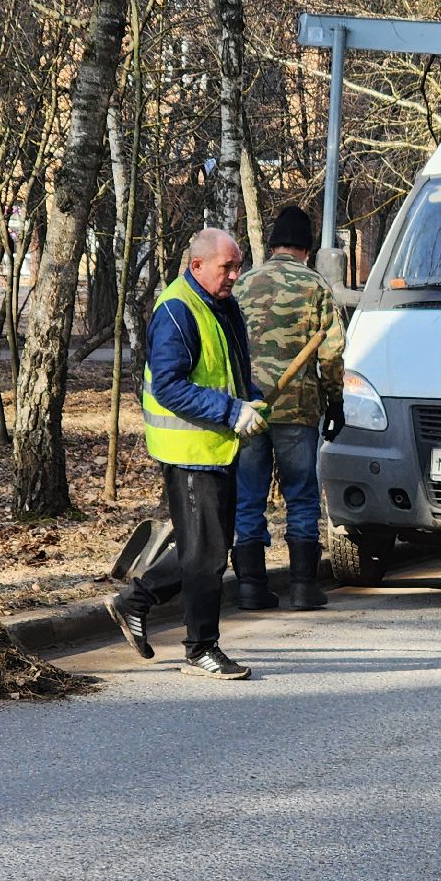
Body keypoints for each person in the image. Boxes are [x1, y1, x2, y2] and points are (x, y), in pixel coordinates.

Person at [108, 227, 267, 680]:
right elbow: (171, 386)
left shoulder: (222, 305)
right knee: (207, 555)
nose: (236, 274)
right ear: (197, 266)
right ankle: (200, 649)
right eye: (228, 266)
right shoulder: (177, 310)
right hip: (190, 449)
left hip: (217, 445)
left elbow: (232, 372)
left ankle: (135, 602)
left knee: (207, 547)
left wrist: (249, 402)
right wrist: (231, 410)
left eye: (238, 265)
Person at [231, 205, 347, 611]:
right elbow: (331, 353)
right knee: (300, 495)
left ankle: (250, 587)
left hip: (249, 409)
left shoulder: (243, 284)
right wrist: (335, 402)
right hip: (298, 410)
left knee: (248, 496)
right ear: (307, 248)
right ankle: (302, 587)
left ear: (274, 244)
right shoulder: (315, 286)